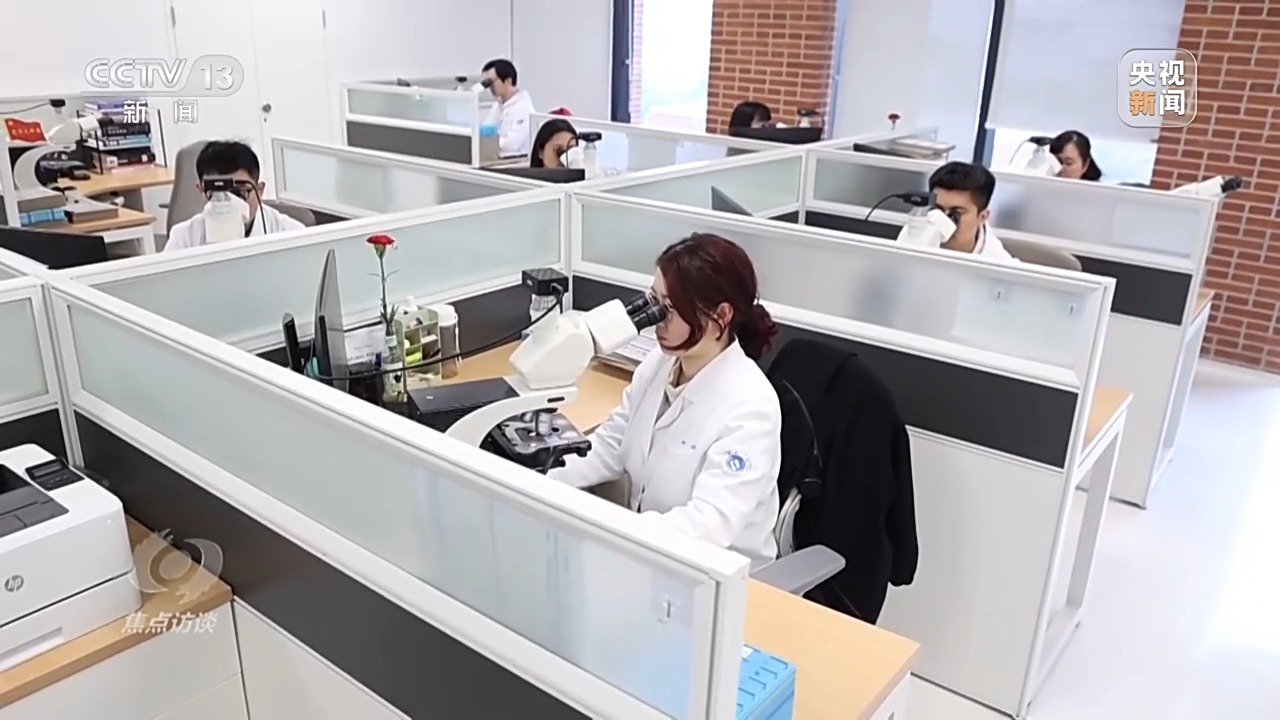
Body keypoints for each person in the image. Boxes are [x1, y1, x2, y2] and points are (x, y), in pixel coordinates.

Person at [551, 234, 783, 564]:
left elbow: (709, 523)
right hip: (652, 555)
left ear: (721, 315)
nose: (657, 319)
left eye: (671, 308)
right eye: (654, 301)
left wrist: (617, 533)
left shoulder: (751, 407)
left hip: (721, 575)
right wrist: (536, 480)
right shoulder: (659, 364)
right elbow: (609, 446)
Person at [165, 141, 305, 253]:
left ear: (259, 191)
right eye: (215, 193)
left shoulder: (290, 233)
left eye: (239, 193)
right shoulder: (184, 237)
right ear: (201, 191)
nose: (228, 202)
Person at [927, 161, 1016, 261]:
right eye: (938, 210)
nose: (943, 220)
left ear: (982, 217)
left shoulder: (1001, 265)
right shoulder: (915, 240)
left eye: (955, 214)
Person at [480, 58, 536, 158]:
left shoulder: (523, 108)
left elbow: (512, 144)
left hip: (518, 160)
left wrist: (490, 141)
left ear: (508, 81)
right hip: (497, 156)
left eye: (491, 82)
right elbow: (485, 130)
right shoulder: (498, 105)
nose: (489, 87)